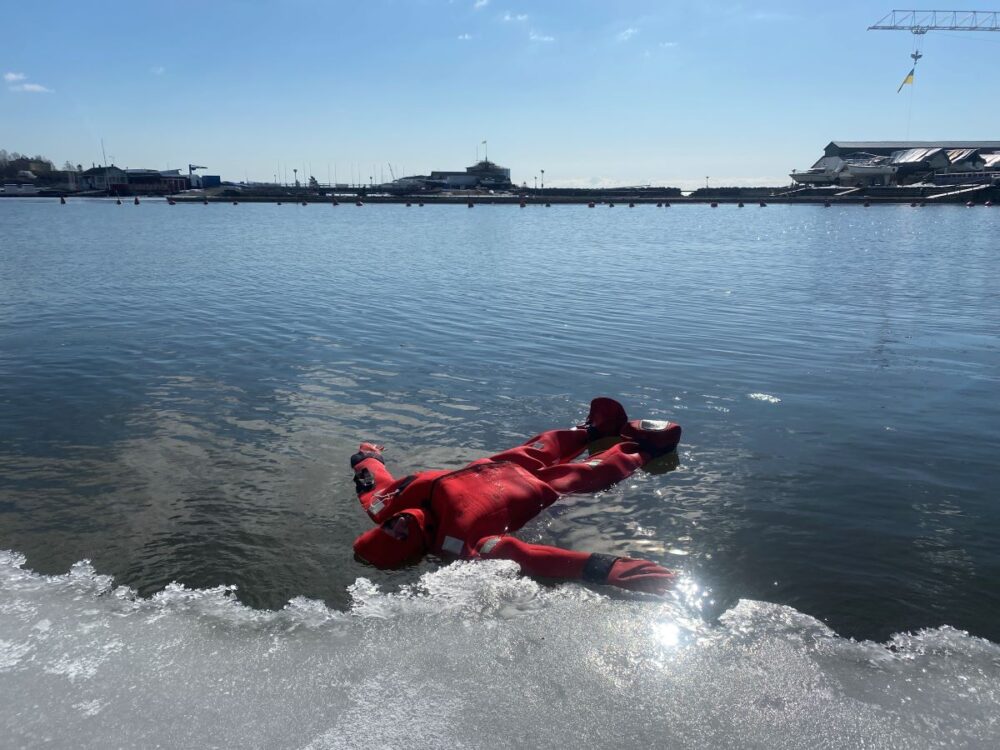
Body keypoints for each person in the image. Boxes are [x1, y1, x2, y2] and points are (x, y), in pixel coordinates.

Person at [349, 397, 682, 594]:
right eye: (400, 535)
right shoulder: (463, 547)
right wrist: (607, 568)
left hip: (497, 465)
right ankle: (643, 448)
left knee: (543, 445)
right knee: (588, 474)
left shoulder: (385, 505)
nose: (401, 522)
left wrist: (367, 454)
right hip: (533, 490)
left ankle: (595, 430)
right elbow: (528, 555)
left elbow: (370, 480)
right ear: (413, 549)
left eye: (389, 526)